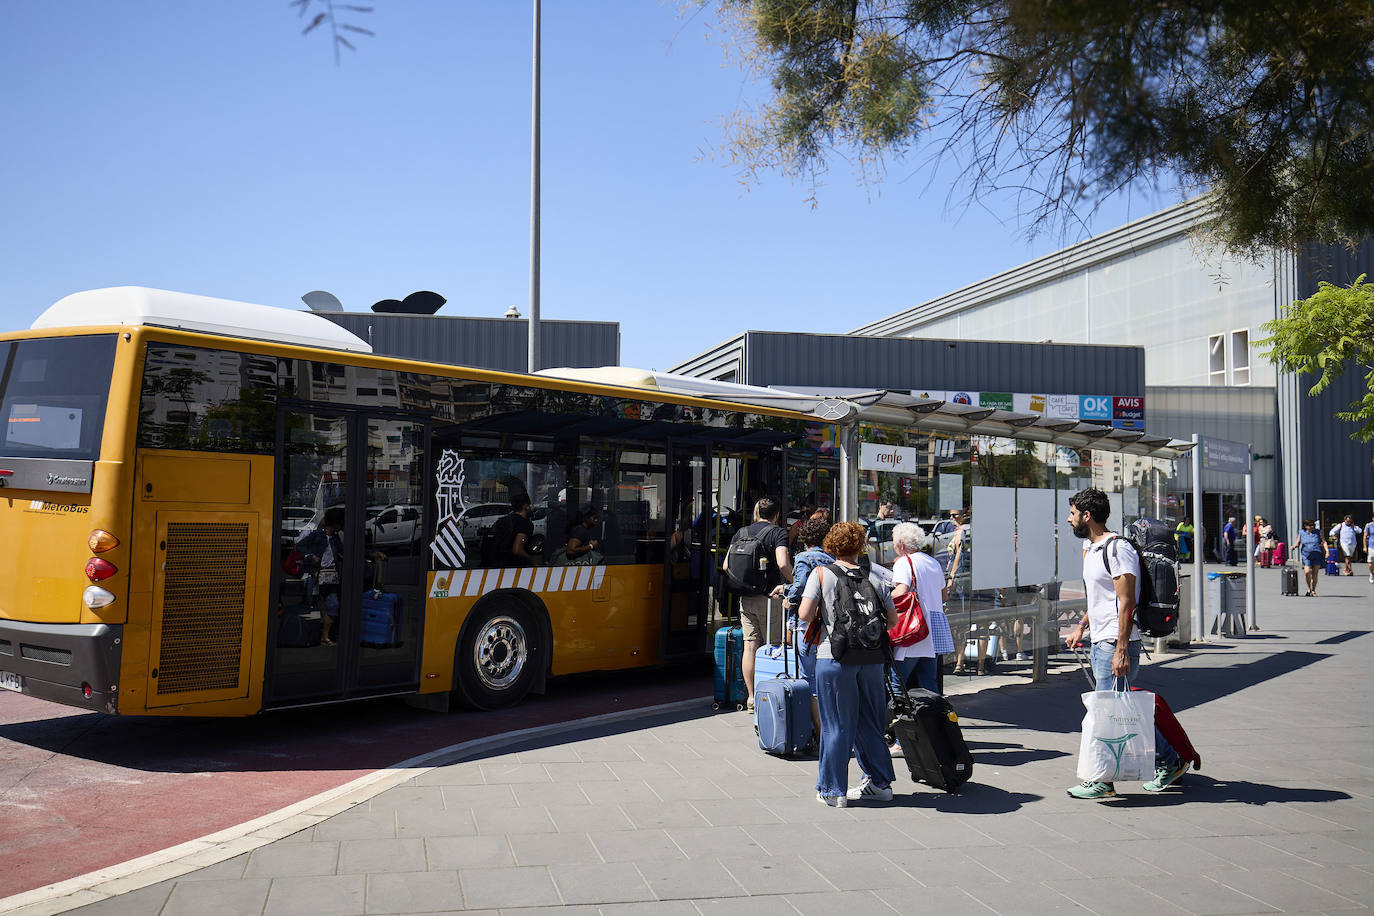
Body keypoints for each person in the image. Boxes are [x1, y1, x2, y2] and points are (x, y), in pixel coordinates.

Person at [1061, 488, 1185, 799]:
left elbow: (1126, 602)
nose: (1069, 519)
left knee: (1111, 712)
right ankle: (1169, 760)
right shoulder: (1093, 550)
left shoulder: (1117, 549)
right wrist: (1081, 626)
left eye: (1073, 513)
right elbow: (1102, 600)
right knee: (1119, 711)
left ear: (1087, 516)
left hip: (1115, 643)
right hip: (1102, 639)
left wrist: (1120, 649)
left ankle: (1108, 779)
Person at [797, 521, 898, 806]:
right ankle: (880, 784)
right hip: (871, 660)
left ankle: (832, 790)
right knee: (871, 723)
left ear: (831, 545)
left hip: (835, 658)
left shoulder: (821, 574)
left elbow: (805, 614)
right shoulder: (875, 578)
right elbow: (892, 621)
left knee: (836, 725)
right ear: (860, 547)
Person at [725, 496, 793, 712]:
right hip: (770, 599)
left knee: (750, 647)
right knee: (773, 648)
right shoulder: (778, 532)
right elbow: (782, 563)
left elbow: (727, 565)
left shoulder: (741, 532)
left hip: (745, 599)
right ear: (776, 515)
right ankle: (769, 699)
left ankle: (752, 698)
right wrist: (795, 581)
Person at [780, 514, 833, 744]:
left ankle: (821, 733)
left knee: (810, 677)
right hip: (828, 623)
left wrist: (788, 597)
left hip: (807, 624)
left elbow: (800, 586)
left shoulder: (804, 557)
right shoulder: (832, 558)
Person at [888, 522, 941, 694]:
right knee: (929, 685)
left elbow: (901, 590)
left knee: (897, 684)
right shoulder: (934, 562)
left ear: (901, 544)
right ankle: (933, 719)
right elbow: (944, 595)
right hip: (931, 633)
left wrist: (884, 596)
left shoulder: (904, 562)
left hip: (911, 633)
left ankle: (898, 719)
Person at [296, 506, 345, 646]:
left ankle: (325, 635)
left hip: (330, 577)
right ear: (335, 524)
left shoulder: (335, 539)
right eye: (340, 524)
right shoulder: (317, 534)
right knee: (312, 606)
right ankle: (308, 636)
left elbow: (343, 551)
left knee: (333, 605)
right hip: (315, 576)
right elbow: (300, 546)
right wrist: (310, 556)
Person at [487, 496, 537, 567]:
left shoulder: (502, 520)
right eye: (530, 505)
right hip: (514, 565)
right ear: (526, 507)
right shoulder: (525, 524)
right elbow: (517, 549)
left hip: (496, 563)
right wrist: (532, 562)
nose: (531, 508)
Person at [1292, 519, 1327, 596]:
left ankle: (1313, 590)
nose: (1312, 527)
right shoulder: (1302, 533)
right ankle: (1309, 588)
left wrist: (1327, 551)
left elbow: (1323, 541)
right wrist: (1294, 546)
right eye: (1310, 525)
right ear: (1305, 526)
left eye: (1313, 525)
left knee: (1315, 573)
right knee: (1307, 572)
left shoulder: (1318, 532)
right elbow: (1298, 542)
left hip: (1317, 554)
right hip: (1306, 555)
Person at [1365, 516, 1374, 583]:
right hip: (1371, 546)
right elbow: (1364, 536)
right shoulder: (1369, 525)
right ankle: (1372, 573)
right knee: (1370, 563)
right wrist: (1365, 546)